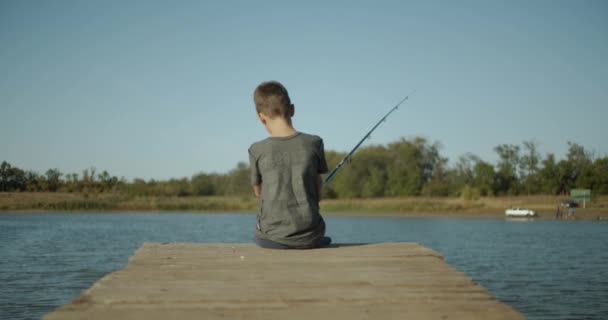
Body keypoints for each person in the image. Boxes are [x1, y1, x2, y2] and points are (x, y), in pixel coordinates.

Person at [248, 81, 332, 249]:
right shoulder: (314, 143)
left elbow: (259, 192)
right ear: (292, 109)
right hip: (312, 237)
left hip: (271, 239)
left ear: (260, 117)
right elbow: (318, 189)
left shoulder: (257, 150)